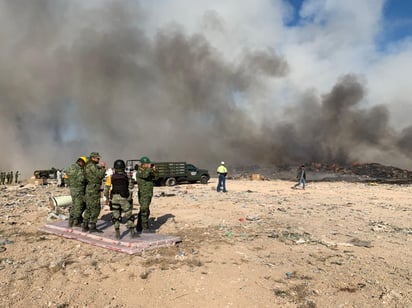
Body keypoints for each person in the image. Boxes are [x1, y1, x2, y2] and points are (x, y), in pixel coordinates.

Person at [104, 159, 136, 239]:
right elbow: (131, 187)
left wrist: (107, 198)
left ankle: (117, 232)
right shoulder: (127, 176)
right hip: (124, 198)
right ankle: (132, 232)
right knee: (129, 215)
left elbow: (106, 189)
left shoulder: (110, 177)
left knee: (116, 216)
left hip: (114, 198)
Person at [83, 152, 106, 233]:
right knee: (96, 209)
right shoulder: (92, 166)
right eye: (97, 158)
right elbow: (99, 175)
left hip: (89, 189)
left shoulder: (87, 166)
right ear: (93, 158)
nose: (98, 160)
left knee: (89, 209)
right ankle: (92, 226)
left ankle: (85, 225)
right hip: (93, 190)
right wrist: (103, 168)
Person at [135, 156, 158, 233]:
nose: (149, 165)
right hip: (143, 194)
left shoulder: (148, 171)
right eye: (147, 164)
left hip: (148, 193)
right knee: (144, 210)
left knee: (144, 209)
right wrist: (149, 168)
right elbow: (145, 175)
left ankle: (139, 226)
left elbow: (156, 177)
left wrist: (155, 170)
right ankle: (145, 228)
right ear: (143, 164)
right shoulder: (140, 171)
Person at [66, 156, 88, 228]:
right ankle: (75, 222)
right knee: (78, 206)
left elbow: (66, 179)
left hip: (73, 190)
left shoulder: (70, 168)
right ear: (81, 162)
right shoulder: (80, 170)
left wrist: (71, 184)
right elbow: (82, 179)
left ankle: (71, 222)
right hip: (79, 191)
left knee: (75, 205)